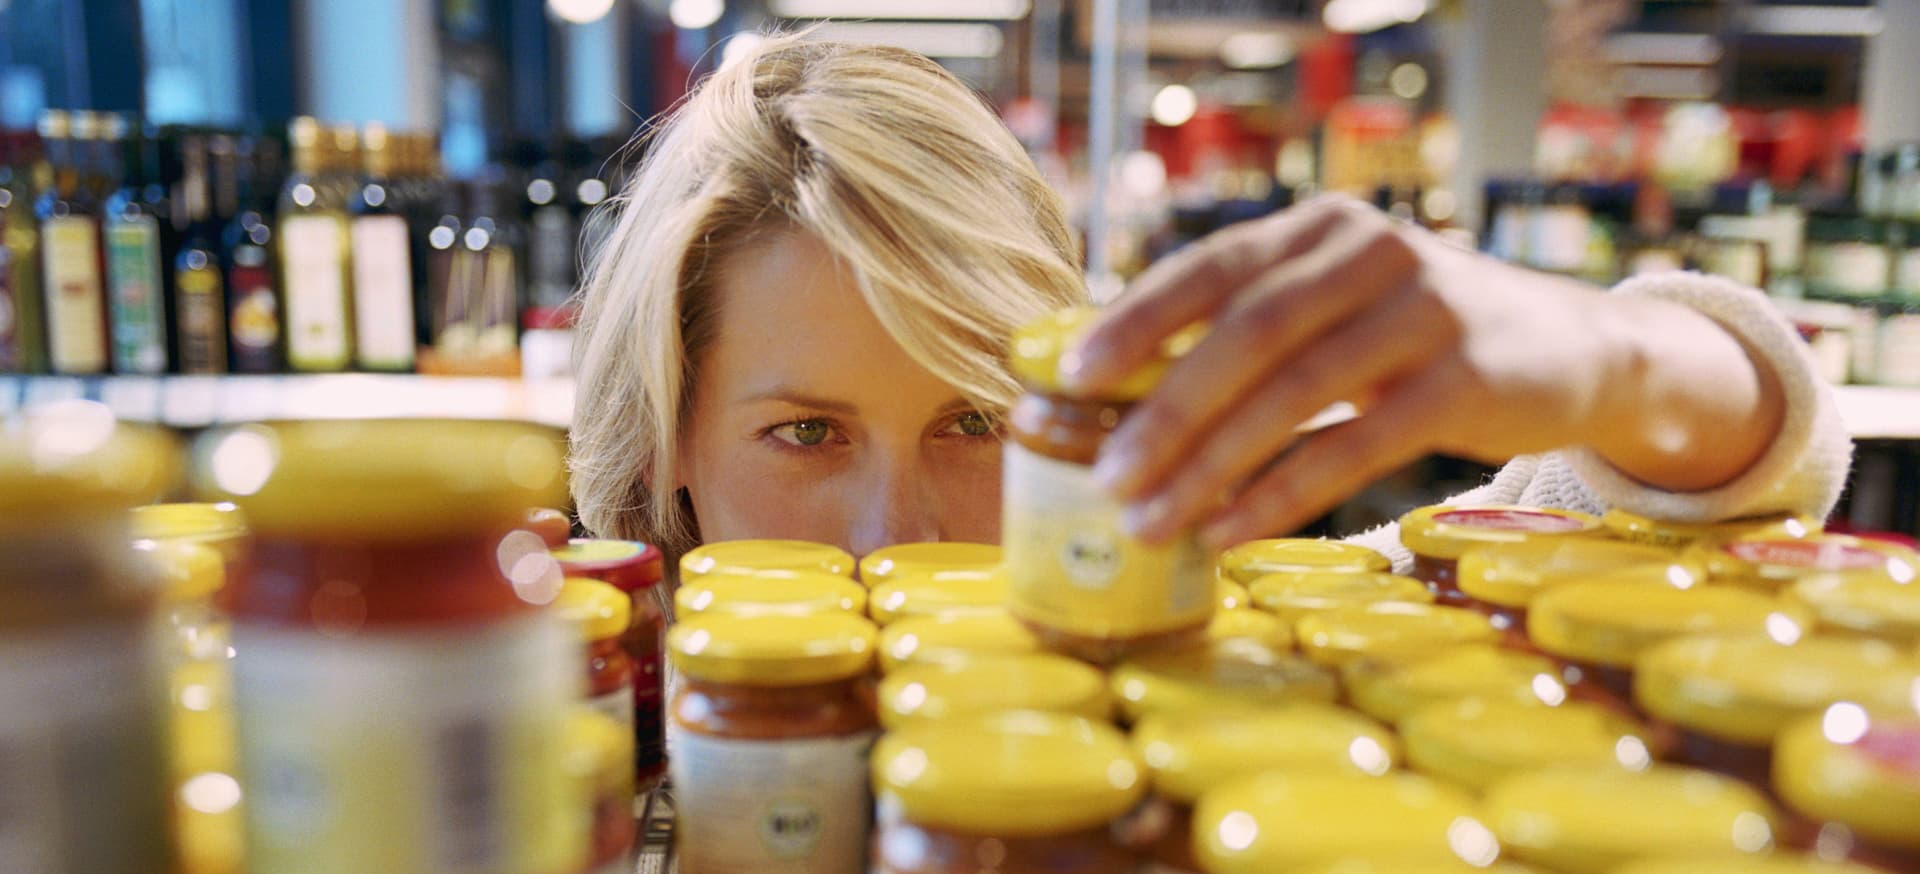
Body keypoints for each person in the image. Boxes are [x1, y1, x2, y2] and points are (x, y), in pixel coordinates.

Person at [568, 34, 1850, 579]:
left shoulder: (1204, 657)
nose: (897, 537)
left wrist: (1607, 353)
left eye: (975, 423)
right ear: (673, 440)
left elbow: (1741, 469)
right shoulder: (530, 762)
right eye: (806, 433)